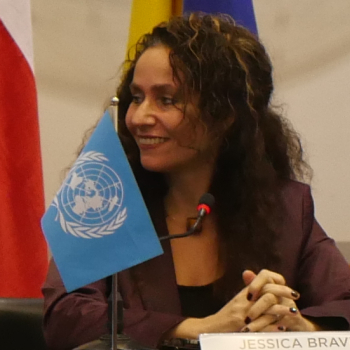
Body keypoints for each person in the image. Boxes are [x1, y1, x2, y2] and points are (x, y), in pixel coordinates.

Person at [42, 12, 350, 350]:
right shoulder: (100, 199)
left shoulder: (288, 209)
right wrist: (198, 328)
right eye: (137, 97)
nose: (139, 117)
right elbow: (65, 317)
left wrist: (298, 324)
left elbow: (343, 306)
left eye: (167, 99)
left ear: (224, 117)